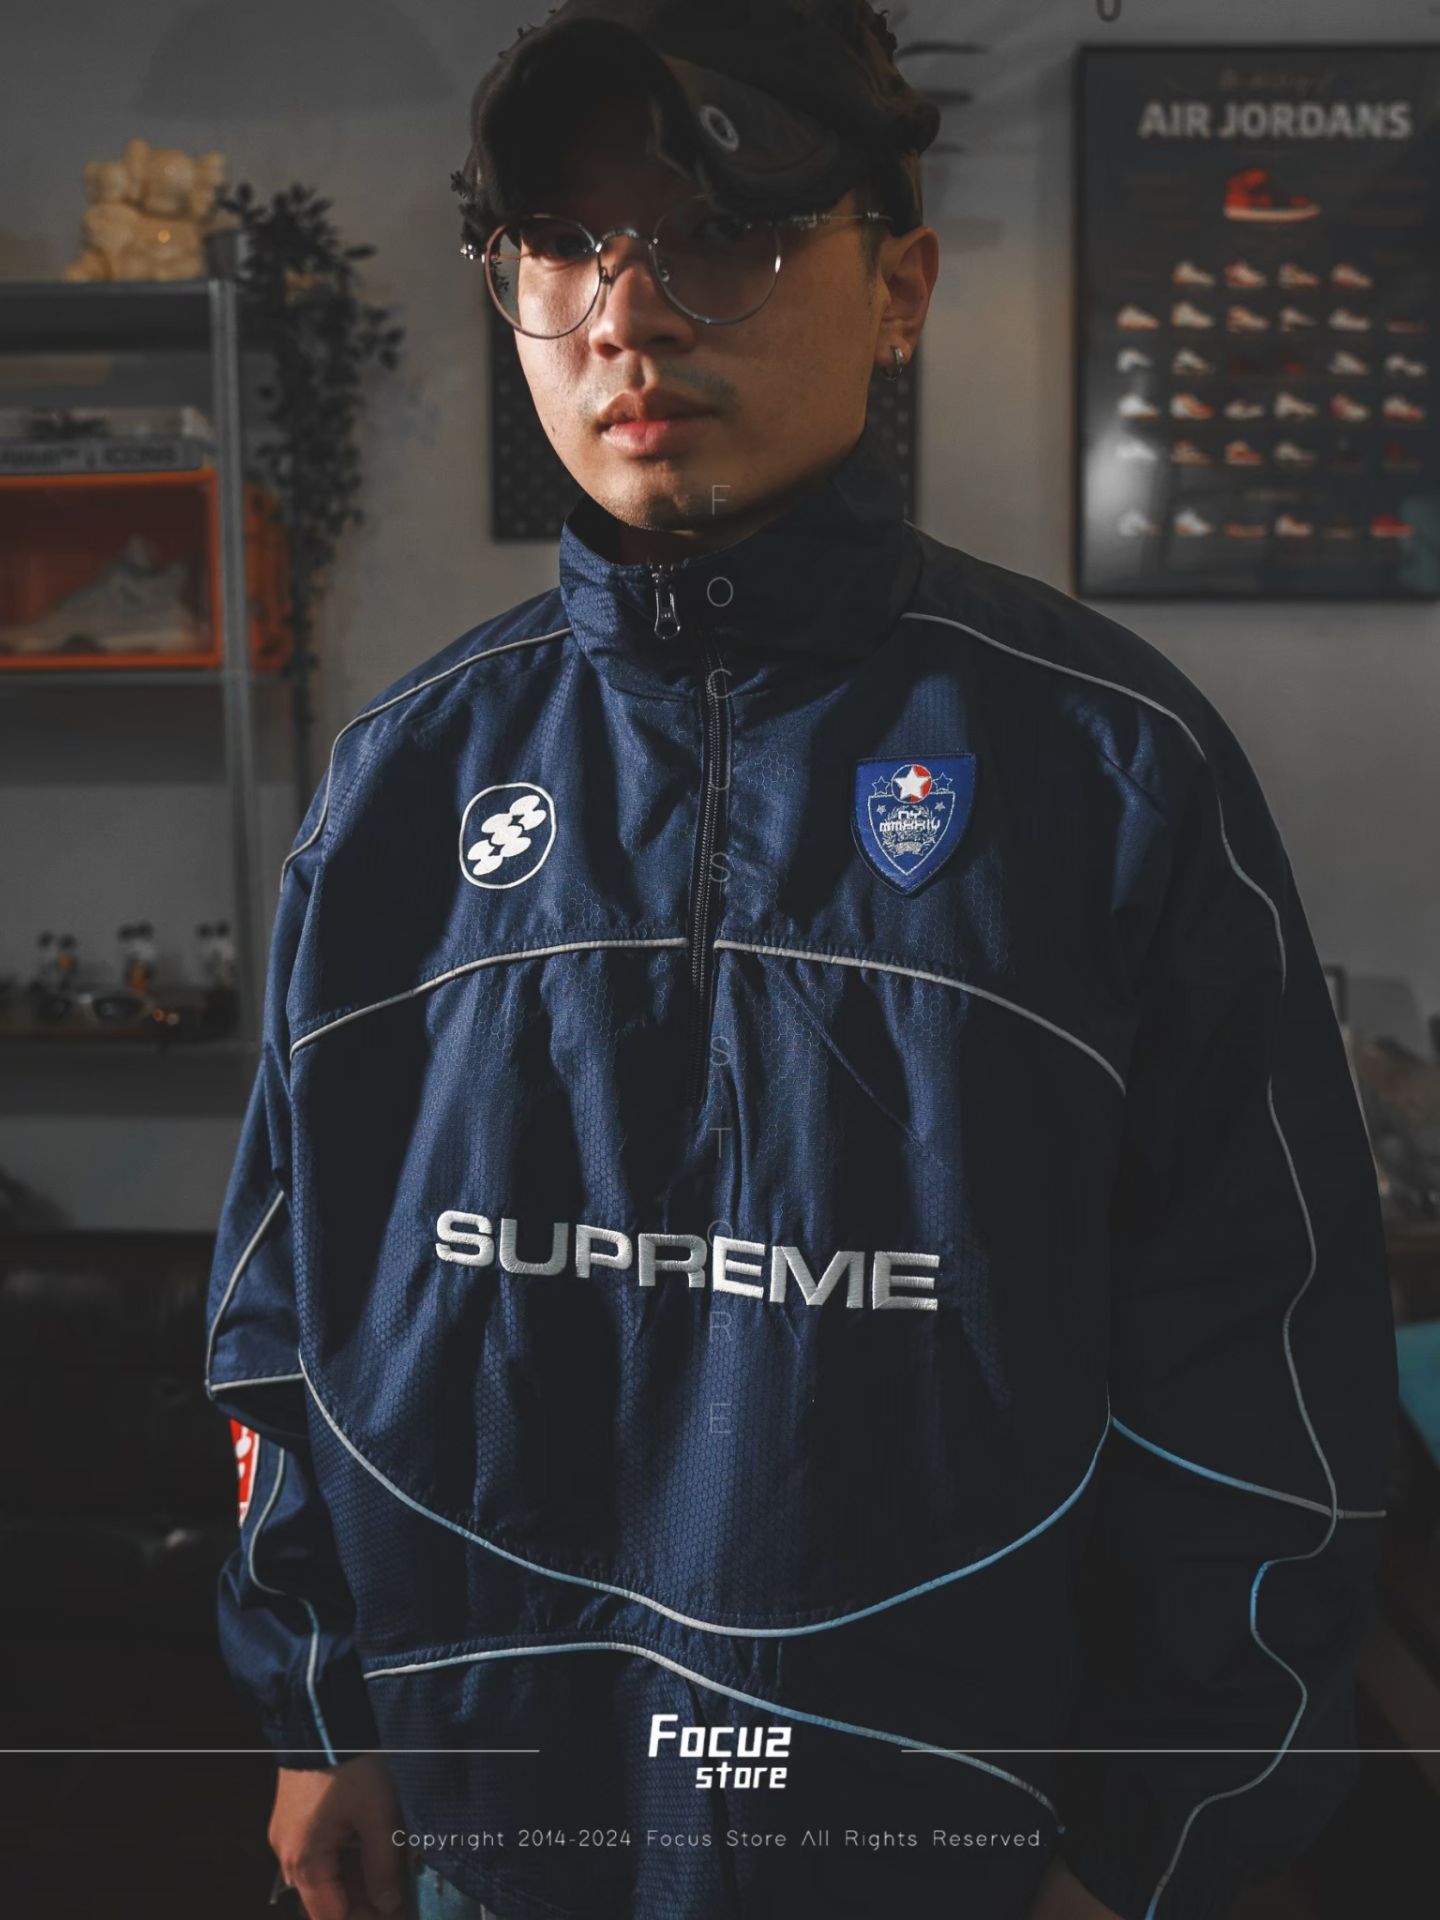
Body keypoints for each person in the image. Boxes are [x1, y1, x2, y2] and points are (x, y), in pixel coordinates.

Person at [202, 4, 1398, 1918]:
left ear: (898, 288)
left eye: (724, 234)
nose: (627, 314)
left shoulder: (1112, 771)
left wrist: (1150, 1840)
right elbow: (285, 1315)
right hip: (500, 1832)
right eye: (563, 245)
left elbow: (1259, 1382)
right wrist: (320, 1705)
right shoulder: (402, 785)